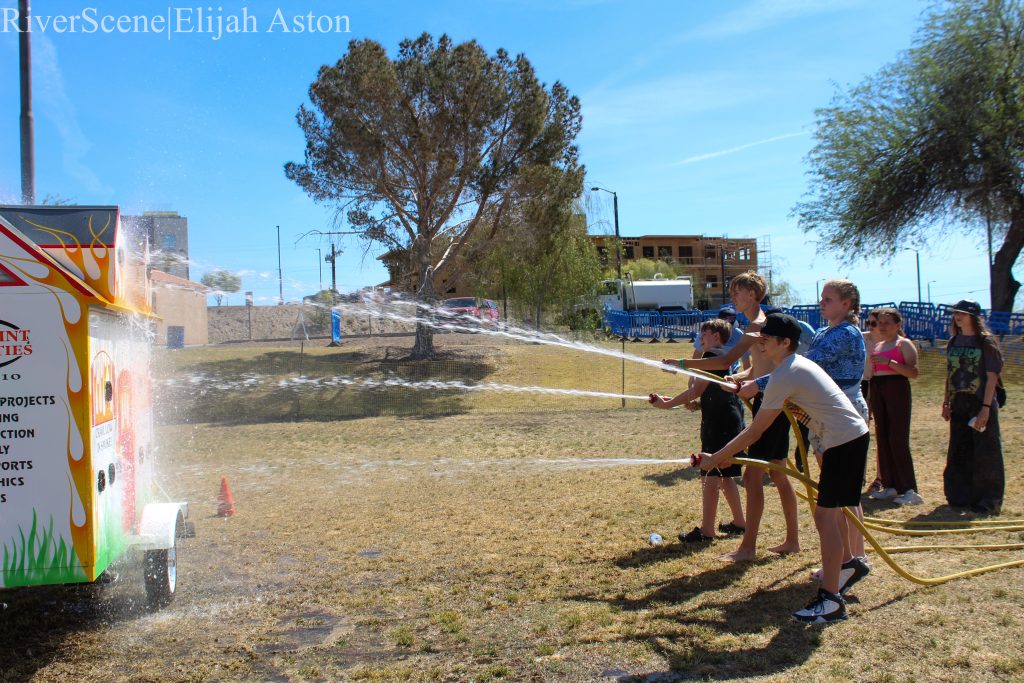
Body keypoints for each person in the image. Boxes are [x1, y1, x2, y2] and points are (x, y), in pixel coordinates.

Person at [699, 313, 869, 623]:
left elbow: (755, 432)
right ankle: (849, 566)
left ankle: (830, 600)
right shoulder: (792, 369)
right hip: (848, 437)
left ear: (785, 342)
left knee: (825, 516)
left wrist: (716, 457)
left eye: (767, 338)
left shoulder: (785, 374)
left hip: (844, 440)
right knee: (831, 513)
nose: (760, 342)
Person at [666, 271, 800, 562]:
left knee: (753, 477)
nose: (733, 298)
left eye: (736, 293)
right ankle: (792, 540)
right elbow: (754, 369)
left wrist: (681, 363)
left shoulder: (761, 325)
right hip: (769, 398)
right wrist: (735, 379)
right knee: (778, 473)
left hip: (773, 402)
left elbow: (725, 360)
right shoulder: (752, 324)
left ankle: (748, 547)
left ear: (752, 294)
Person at [650, 319, 746, 542]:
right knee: (724, 475)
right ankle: (740, 522)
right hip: (725, 418)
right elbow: (707, 391)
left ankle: (707, 531)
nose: (701, 337)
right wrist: (697, 404)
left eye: (705, 333)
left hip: (720, 423)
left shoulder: (712, 356)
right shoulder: (716, 357)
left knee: (710, 474)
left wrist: (667, 404)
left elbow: (695, 390)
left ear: (717, 336)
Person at [943, 300, 1004, 514]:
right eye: (956, 314)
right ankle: (960, 496)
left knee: (986, 452)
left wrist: (986, 407)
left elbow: (992, 377)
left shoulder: (985, 342)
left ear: (973, 317)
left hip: (980, 401)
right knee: (960, 449)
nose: (958, 317)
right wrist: (946, 401)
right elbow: (950, 373)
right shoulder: (953, 341)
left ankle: (988, 500)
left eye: (963, 314)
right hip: (959, 401)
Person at [867, 308, 922, 505]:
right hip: (878, 388)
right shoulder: (879, 345)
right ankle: (890, 485)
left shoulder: (903, 344)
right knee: (883, 437)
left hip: (896, 388)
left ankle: (910, 489)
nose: (881, 327)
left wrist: (889, 362)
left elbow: (913, 372)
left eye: (886, 323)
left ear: (898, 325)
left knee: (897, 438)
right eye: (879, 323)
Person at [861, 309, 883, 492]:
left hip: (883, 385)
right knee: (861, 432)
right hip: (864, 385)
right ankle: (859, 473)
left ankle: (881, 477)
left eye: (873, 323)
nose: (870, 327)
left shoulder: (892, 342)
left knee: (883, 433)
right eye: (868, 323)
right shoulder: (863, 338)